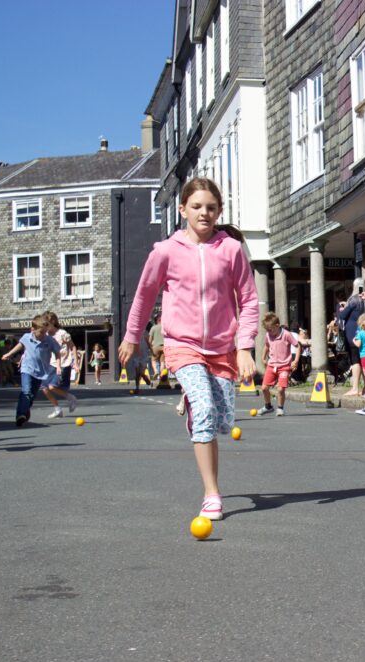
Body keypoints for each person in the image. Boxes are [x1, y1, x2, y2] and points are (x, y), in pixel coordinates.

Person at [119, 177, 259, 521]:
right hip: (182, 345)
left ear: (219, 211)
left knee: (223, 421)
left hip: (223, 348)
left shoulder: (230, 250)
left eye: (211, 207)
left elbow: (250, 300)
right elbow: (144, 295)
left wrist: (244, 347)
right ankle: (212, 493)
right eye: (196, 206)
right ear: (182, 209)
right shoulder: (165, 251)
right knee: (206, 413)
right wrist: (132, 334)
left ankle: (195, 400)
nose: (204, 213)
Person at [2, 314, 62, 427]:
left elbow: (57, 353)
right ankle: (20, 415)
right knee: (26, 391)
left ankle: (25, 409)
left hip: (41, 372)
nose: (44, 335)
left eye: (45, 332)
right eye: (41, 332)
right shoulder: (26, 337)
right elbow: (20, 346)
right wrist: (8, 354)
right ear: (32, 330)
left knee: (32, 395)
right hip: (27, 369)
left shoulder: (49, 340)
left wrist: (58, 366)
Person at [258, 312, 298, 416]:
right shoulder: (268, 335)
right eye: (267, 330)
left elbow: (298, 346)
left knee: (280, 389)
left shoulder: (286, 334)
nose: (269, 332)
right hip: (271, 365)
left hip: (284, 366)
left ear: (277, 325)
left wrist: (295, 361)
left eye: (270, 330)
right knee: (264, 388)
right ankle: (268, 406)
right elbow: (267, 346)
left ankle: (280, 408)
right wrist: (263, 357)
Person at [41, 312, 79, 417]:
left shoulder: (62, 333)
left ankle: (70, 397)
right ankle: (57, 409)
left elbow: (73, 347)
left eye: (47, 324)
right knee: (44, 388)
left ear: (53, 322)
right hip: (51, 364)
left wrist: (75, 363)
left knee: (52, 387)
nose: (45, 327)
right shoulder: (46, 335)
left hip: (63, 364)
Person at [337, 279, 365, 396]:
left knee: (355, 360)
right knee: (364, 359)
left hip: (352, 334)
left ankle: (355, 388)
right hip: (364, 333)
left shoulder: (353, 300)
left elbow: (343, 316)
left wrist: (342, 309)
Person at [149, 313, 165, 384]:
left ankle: (156, 371)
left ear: (157, 320)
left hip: (155, 346)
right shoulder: (165, 327)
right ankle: (161, 374)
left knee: (153, 360)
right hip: (164, 347)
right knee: (162, 362)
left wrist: (150, 347)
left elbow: (150, 340)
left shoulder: (153, 328)